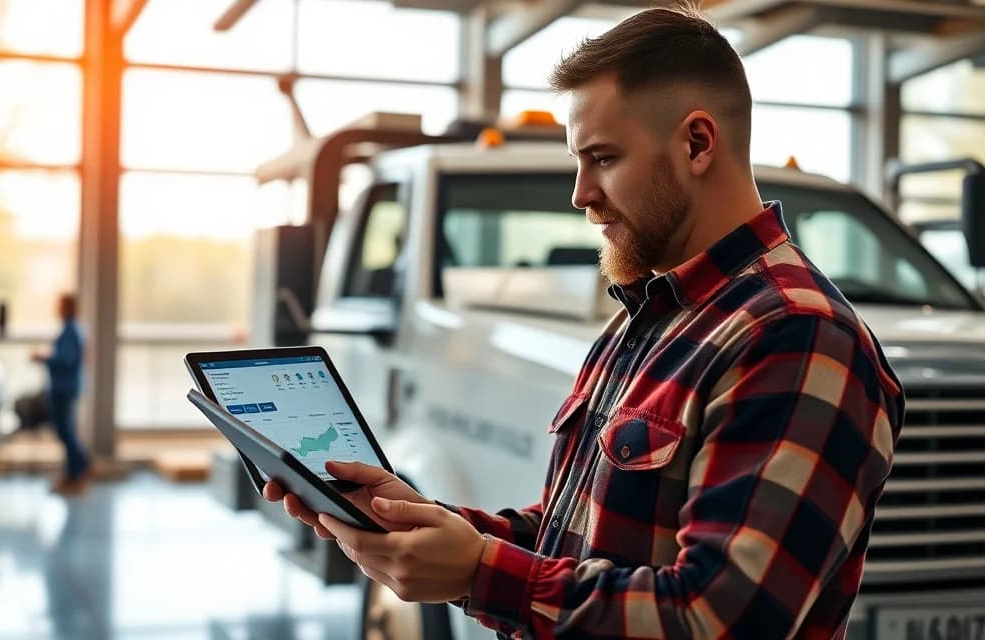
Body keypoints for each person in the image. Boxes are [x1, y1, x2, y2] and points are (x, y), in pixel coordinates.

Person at [264, 6, 904, 639]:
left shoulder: (796, 336)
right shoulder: (647, 319)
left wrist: (478, 572)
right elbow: (578, 532)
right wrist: (418, 520)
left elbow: (717, 620)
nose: (580, 194)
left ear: (696, 143)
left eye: (602, 157)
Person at [31, 293, 90, 496]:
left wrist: (44, 358)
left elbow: (65, 360)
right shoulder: (70, 330)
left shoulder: (72, 331)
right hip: (64, 387)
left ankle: (77, 473)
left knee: (66, 432)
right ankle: (81, 467)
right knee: (66, 431)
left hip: (64, 388)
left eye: (60, 305)